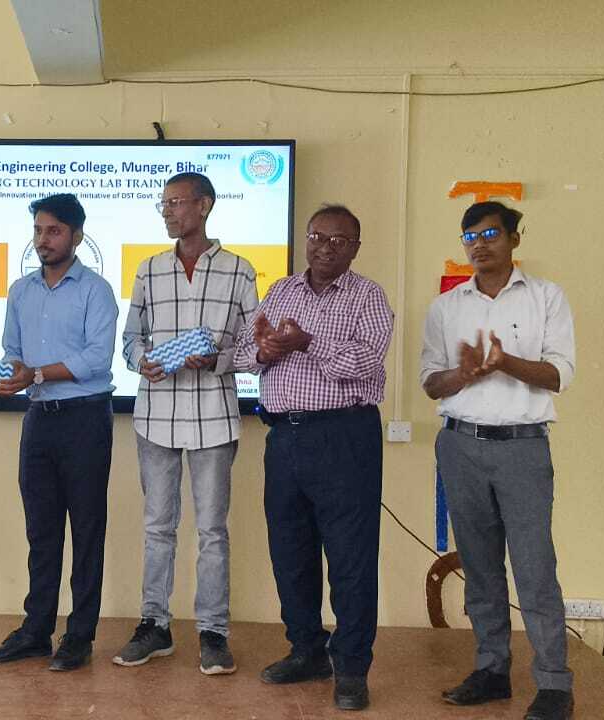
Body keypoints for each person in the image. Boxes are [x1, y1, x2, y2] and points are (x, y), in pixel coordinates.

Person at [234, 204, 393, 711]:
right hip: (284, 437)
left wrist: (306, 342)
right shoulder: (282, 290)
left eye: (338, 240)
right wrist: (265, 351)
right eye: (317, 236)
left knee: (350, 558)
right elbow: (242, 353)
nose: (325, 247)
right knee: (290, 551)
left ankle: (351, 668)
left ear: (355, 248)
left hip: (343, 435)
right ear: (306, 239)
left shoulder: (368, 296)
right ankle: (306, 650)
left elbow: (364, 361)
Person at [422, 201, 576, 720]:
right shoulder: (446, 307)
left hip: (522, 447)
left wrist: (503, 361)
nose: (479, 244)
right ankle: (492, 671)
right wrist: (464, 374)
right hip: (460, 446)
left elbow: (558, 374)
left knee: (535, 569)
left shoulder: (546, 297)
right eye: (470, 237)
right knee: (480, 568)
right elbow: (431, 383)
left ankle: (553, 684)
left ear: (514, 238)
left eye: (490, 234)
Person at [114, 172, 258, 675]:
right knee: (158, 528)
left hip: (214, 417)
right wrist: (143, 361)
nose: (168, 212)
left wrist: (218, 359)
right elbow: (130, 339)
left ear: (205, 206)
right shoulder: (149, 269)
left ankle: (213, 633)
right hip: (156, 416)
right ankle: (154, 626)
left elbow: (255, 347)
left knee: (212, 531)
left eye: (176, 203)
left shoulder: (239, 270)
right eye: (164, 204)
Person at [0, 193, 119, 672]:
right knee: (41, 531)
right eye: (39, 230)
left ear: (76, 236)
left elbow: (96, 358)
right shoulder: (21, 291)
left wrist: (34, 373)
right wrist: (7, 374)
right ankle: (36, 631)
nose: (44, 239)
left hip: (85, 419)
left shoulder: (96, 291)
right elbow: (11, 350)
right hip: (38, 419)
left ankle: (79, 635)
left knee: (86, 530)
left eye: (54, 231)